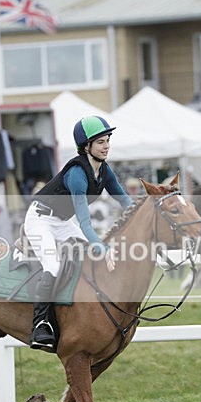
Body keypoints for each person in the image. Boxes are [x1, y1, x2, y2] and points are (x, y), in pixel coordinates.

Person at [24, 116, 133, 351]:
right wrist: (102, 247)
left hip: (62, 221)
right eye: (101, 142)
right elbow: (85, 224)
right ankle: (40, 325)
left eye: (107, 141)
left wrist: (145, 213)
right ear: (86, 147)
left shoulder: (104, 170)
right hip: (40, 219)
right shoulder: (77, 174)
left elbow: (124, 199)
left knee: (88, 256)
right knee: (52, 265)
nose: (106, 146)